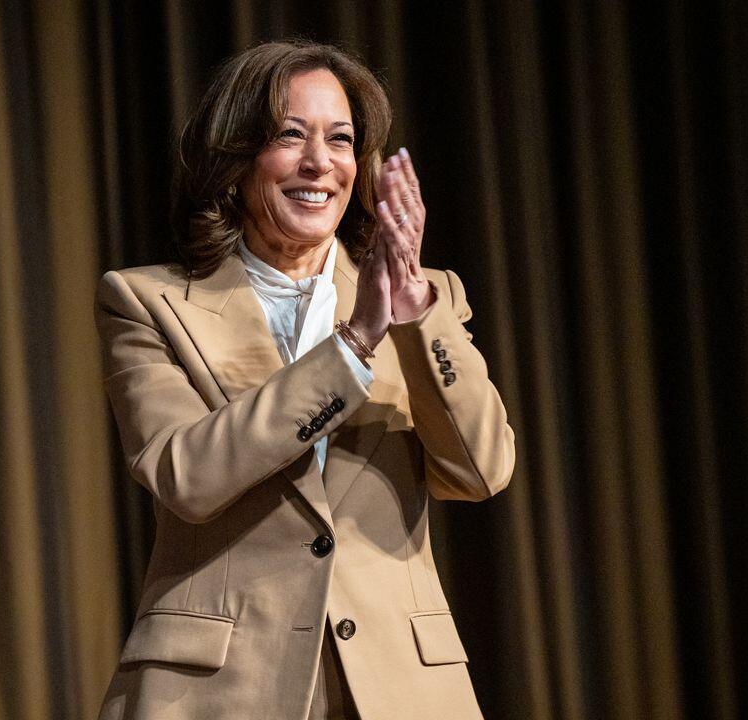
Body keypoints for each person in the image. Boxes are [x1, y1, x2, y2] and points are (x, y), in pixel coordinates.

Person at [95, 40, 516, 720]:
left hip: (398, 685)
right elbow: (186, 475)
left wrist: (414, 314)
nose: (320, 163)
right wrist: (354, 343)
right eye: (290, 135)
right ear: (234, 158)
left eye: (340, 140)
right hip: (220, 688)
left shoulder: (428, 299)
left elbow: (480, 470)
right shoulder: (147, 302)